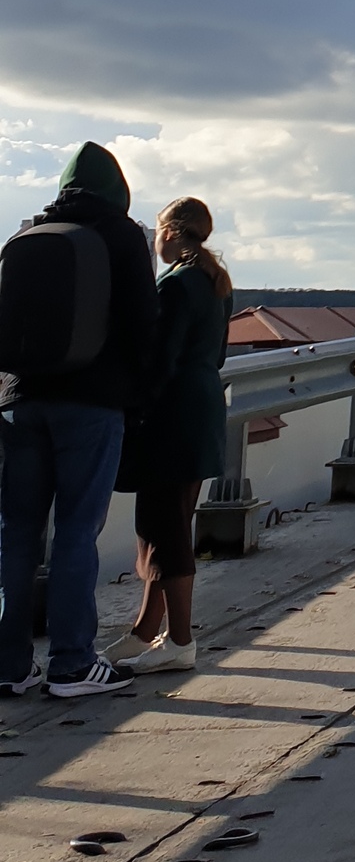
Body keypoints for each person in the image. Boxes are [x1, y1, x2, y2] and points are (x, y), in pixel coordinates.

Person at [0, 141, 158, 699]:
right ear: (119, 191)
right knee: (75, 533)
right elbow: (144, 328)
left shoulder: (25, 236)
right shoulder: (122, 237)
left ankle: (10, 665)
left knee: (16, 534)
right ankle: (71, 664)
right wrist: (138, 402)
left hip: (21, 401)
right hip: (92, 404)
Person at [111, 199, 231, 673]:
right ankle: (146, 630)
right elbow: (216, 355)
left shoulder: (176, 284)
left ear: (171, 232)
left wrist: (132, 408)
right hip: (201, 410)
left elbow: (159, 360)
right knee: (171, 523)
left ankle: (179, 640)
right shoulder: (216, 283)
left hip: (171, 416)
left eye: (158, 229)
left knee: (164, 530)